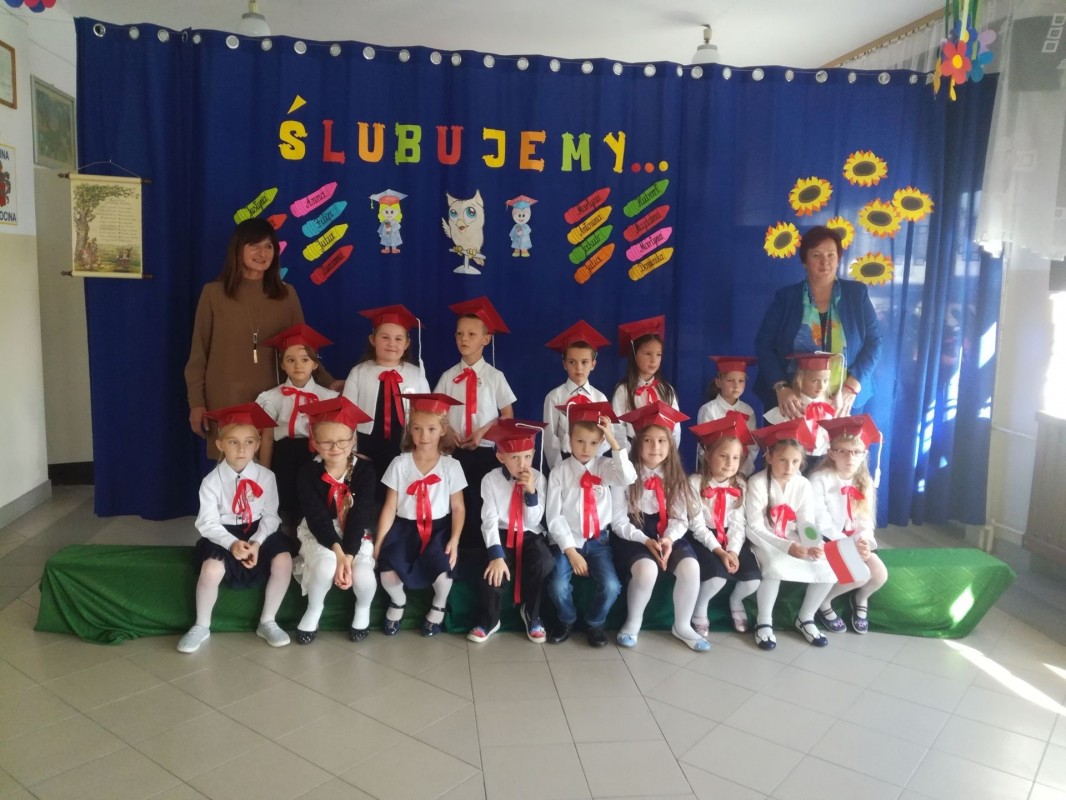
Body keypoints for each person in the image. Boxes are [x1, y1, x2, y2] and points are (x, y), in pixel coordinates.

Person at [185, 218, 319, 457]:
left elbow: (303, 348)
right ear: (238, 249)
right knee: (233, 468)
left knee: (270, 468)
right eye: (254, 245)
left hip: (275, 400)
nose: (262, 253)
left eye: (268, 246)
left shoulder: (286, 294)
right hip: (226, 399)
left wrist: (328, 382)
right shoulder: (213, 293)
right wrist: (196, 403)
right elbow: (198, 353)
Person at [178, 403, 292, 653]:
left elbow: (271, 516)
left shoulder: (266, 477)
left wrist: (257, 543)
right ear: (220, 444)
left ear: (258, 444)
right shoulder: (211, 482)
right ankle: (201, 625)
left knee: (284, 562)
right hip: (224, 533)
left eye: (249, 442)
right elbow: (207, 522)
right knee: (211, 570)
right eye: (233, 442)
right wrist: (231, 543)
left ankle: (268, 621)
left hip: (260, 531)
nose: (242, 449)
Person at [754, 225, 882, 419]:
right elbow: (764, 344)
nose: (825, 262)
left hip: (843, 401)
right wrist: (781, 387)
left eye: (831, 255)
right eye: (816, 255)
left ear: (838, 258)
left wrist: (852, 386)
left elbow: (875, 343)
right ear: (805, 261)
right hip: (792, 403)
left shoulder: (857, 294)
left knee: (842, 441)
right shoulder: (786, 297)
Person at [611, 403, 708, 652]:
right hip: (633, 533)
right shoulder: (624, 473)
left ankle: (682, 625)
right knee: (647, 570)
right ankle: (633, 622)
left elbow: (680, 519)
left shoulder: (675, 475)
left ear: (671, 443)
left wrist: (668, 539)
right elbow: (618, 521)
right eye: (648, 441)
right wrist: (645, 540)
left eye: (662, 441)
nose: (656, 447)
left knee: (690, 567)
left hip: (667, 530)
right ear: (637, 443)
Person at [374, 393, 467, 637]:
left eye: (431, 429)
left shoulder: (451, 466)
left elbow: (458, 507)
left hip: (438, 529)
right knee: (387, 572)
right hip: (404, 529)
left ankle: (438, 605)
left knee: (444, 572)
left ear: (443, 430)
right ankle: (398, 601)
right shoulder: (399, 464)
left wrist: (455, 539)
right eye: (417, 428)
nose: (424, 435)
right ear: (410, 429)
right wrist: (379, 542)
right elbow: (389, 506)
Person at [545, 402, 636, 647]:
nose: (586, 448)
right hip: (568, 541)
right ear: (569, 439)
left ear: (601, 442)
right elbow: (554, 517)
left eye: (594, 442)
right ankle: (566, 619)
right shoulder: (559, 472)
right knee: (557, 584)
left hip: (598, 541)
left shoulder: (605, 467)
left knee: (611, 586)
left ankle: (595, 622)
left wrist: (613, 442)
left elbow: (628, 477)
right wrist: (571, 552)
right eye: (580, 441)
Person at [291, 397, 377, 644]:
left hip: (354, 532)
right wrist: (338, 555)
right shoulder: (308, 473)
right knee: (325, 567)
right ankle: (314, 610)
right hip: (321, 532)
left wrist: (348, 557)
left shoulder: (364, 471)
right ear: (314, 443)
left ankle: (362, 610)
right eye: (326, 442)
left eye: (342, 441)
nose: (335, 447)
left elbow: (360, 516)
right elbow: (317, 518)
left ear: (353, 440)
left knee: (364, 576)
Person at [744, 419, 836, 651]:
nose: (789, 467)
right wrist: (786, 547)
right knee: (774, 566)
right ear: (769, 457)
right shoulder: (757, 482)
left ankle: (806, 617)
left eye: (795, 461)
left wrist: (813, 543)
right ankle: (764, 621)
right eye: (782, 460)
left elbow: (806, 521)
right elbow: (755, 526)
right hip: (764, 538)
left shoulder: (803, 484)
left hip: (792, 535)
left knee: (829, 565)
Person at [433, 297, 516, 551]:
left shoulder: (494, 377)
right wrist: (447, 431)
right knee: (455, 502)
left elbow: (507, 415)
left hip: (485, 452)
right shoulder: (448, 376)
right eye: (459, 334)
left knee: (481, 503)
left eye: (471, 334)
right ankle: (453, 549)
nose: (464, 339)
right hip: (454, 451)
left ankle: (483, 552)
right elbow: (436, 413)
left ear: (486, 339)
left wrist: (483, 432)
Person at [468, 418, 554, 644]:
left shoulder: (539, 478)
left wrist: (531, 492)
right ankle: (490, 620)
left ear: (534, 453)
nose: (522, 464)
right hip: (502, 533)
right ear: (501, 457)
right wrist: (496, 555)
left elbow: (534, 519)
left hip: (530, 534)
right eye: (514, 457)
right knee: (490, 571)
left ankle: (531, 614)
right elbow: (489, 519)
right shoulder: (490, 480)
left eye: (527, 456)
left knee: (544, 562)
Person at [255, 323, 338, 534]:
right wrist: (264, 473)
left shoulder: (328, 397)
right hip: (283, 455)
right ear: (282, 364)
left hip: (316, 454)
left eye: (305, 359)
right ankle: (287, 539)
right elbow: (267, 438)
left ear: (315, 364)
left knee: (313, 500)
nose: (298, 365)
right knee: (286, 501)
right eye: (290, 360)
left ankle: (312, 539)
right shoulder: (271, 398)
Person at [342, 305, 430, 502]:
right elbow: (347, 414)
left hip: (404, 444)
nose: (392, 343)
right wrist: (350, 446)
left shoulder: (416, 375)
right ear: (373, 340)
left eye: (398, 339)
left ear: (407, 343)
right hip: (366, 445)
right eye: (385, 337)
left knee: (399, 493)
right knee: (367, 492)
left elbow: (427, 414)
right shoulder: (359, 373)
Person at [810, 415, 888, 635]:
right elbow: (820, 521)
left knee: (880, 574)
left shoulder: (864, 482)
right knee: (860, 575)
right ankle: (824, 602)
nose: (850, 457)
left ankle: (860, 599)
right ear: (831, 453)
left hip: (853, 539)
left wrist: (864, 542)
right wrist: (848, 543)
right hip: (827, 539)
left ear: (864, 454)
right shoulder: (819, 479)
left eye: (856, 452)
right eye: (842, 451)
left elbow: (865, 519)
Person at [688, 416, 761, 635]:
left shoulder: (741, 484)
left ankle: (735, 600)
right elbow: (697, 525)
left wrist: (733, 551)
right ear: (707, 455)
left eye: (735, 458)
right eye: (723, 456)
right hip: (704, 537)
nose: (730, 463)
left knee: (753, 580)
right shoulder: (694, 483)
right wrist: (720, 551)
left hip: (732, 538)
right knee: (717, 577)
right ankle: (700, 607)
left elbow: (738, 523)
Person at [542, 320, 612, 470]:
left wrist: (593, 465)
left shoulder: (600, 398)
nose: (579, 368)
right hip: (564, 464)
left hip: (594, 465)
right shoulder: (554, 397)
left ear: (593, 364)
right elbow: (550, 438)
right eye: (572, 362)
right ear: (564, 364)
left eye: (584, 362)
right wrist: (558, 470)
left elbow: (606, 436)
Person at [611, 316, 681, 447]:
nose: (653, 360)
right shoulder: (624, 390)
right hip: (633, 450)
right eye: (648, 354)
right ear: (634, 354)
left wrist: (668, 452)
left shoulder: (667, 390)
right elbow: (617, 428)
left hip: (661, 451)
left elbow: (675, 427)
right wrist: (629, 455)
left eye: (658, 354)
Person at [763, 353, 836, 459]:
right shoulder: (790, 407)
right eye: (814, 381)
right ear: (800, 380)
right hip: (796, 461)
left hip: (825, 460)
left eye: (825, 380)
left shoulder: (831, 408)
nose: (821, 386)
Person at [696, 356, 758, 475]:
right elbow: (704, 446)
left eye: (741, 381)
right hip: (713, 473)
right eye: (730, 380)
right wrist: (715, 472)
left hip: (740, 472)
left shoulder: (748, 411)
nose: (736, 386)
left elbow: (752, 446)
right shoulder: (708, 410)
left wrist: (742, 472)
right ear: (718, 382)